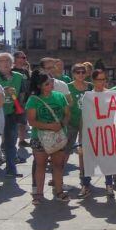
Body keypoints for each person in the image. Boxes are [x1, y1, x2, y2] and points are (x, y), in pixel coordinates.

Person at [26, 69, 71, 204]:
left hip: (58, 136)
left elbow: (67, 114)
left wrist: (62, 124)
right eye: (46, 84)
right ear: (39, 86)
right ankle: (38, 193)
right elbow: (31, 121)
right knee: (40, 165)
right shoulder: (33, 100)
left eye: (51, 82)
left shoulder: (59, 96)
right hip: (40, 137)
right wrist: (50, 126)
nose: (50, 85)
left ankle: (59, 191)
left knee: (58, 165)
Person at [0, 53, 26, 178]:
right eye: (1, 61)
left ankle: (11, 169)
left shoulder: (19, 76)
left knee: (11, 142)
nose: (5, 63)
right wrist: (3, 91)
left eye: (7, 60)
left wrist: (20, 108)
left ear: (12, 63)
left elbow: (22, 93)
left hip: (11, 113)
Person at [67, 64, 94, 198]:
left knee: (84, 153)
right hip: (71, 123)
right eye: (77, 72)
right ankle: (57, 179)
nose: (81, 74)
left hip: (87, 124)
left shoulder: (90, 86)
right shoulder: (68, 87)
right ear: (73, 74)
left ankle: (84, 180)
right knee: (65, 151)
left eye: (83, 72)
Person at [12, 51, 31, 148]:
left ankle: (22, 140)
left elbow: (28, 84)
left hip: (24, 100)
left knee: (23, 122)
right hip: (13, 100)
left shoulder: (26, 71)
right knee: (12, 122)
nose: (24, 59)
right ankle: (8, 142)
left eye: (25, 57)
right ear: (15, 59)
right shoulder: (11, 70)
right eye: (22, 57)